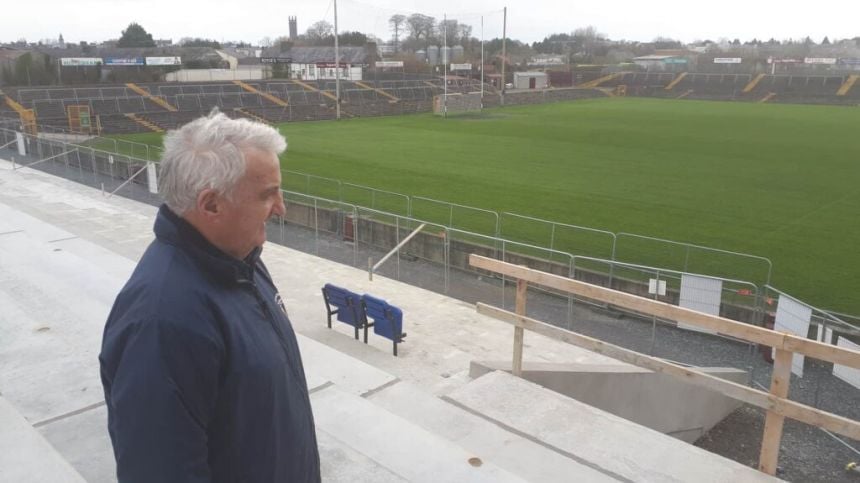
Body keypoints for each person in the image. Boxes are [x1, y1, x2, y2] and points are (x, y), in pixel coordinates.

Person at [99, 111, 320, 482]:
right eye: (267, 194)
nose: (281, 207)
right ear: (211, 205)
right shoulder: (160, 322)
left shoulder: (240, 260)